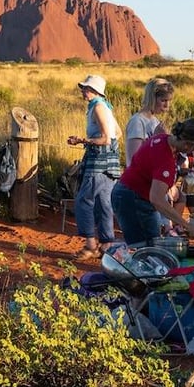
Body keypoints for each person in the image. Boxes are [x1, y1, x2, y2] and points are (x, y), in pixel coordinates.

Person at [110, 118, 194, 248]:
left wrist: (179, 171)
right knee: (148, 249)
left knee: (147, 244)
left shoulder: (163, 138)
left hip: (127, 193)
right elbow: (157, 199)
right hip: (134, 199)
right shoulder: (166, 159)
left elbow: (151, 167)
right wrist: (186, 225)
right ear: (188, 144)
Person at [67, 75, 122, 260]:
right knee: (104, 203)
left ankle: (91, 245)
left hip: (98, 163)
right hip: (111, 163)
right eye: (83, 88)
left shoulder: (98, 107)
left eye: (86, 88)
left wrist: (83, 141)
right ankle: (106, 245)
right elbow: (118, 133)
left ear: (95, 91)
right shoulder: (105, 106)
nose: (83, 91)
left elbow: (106, 138)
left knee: (84, 201)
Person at [124, 78, 173, 168]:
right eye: (163, 101)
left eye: (169, 101)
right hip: (137, 178)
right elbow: (134, 159)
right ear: (152, 98)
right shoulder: (137, 122)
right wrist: (155, 138)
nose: (167, 106)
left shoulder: (155, 121)